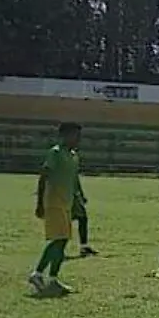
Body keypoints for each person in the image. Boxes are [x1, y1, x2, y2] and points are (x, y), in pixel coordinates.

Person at [29, 122, 83, 295]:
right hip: (54, 202)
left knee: (63, 240)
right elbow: (43, 177)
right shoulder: (55, 153)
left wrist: (78, 198)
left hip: (66, 203)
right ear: (64, 135)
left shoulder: (74, 155)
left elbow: (74, 180)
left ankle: (52, 278)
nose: (77, 139)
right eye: (74, 135)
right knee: (59, 239)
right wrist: (39, 203)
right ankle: (38, 273)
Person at [71, 167, 98, 257]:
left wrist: (81, 195)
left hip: (74, 195)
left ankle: (84, 246)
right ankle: (55, 248)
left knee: (82, 218)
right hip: (64, 194)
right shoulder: (58, 155)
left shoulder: (73, 157)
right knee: (64, 221)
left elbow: (75, 179)